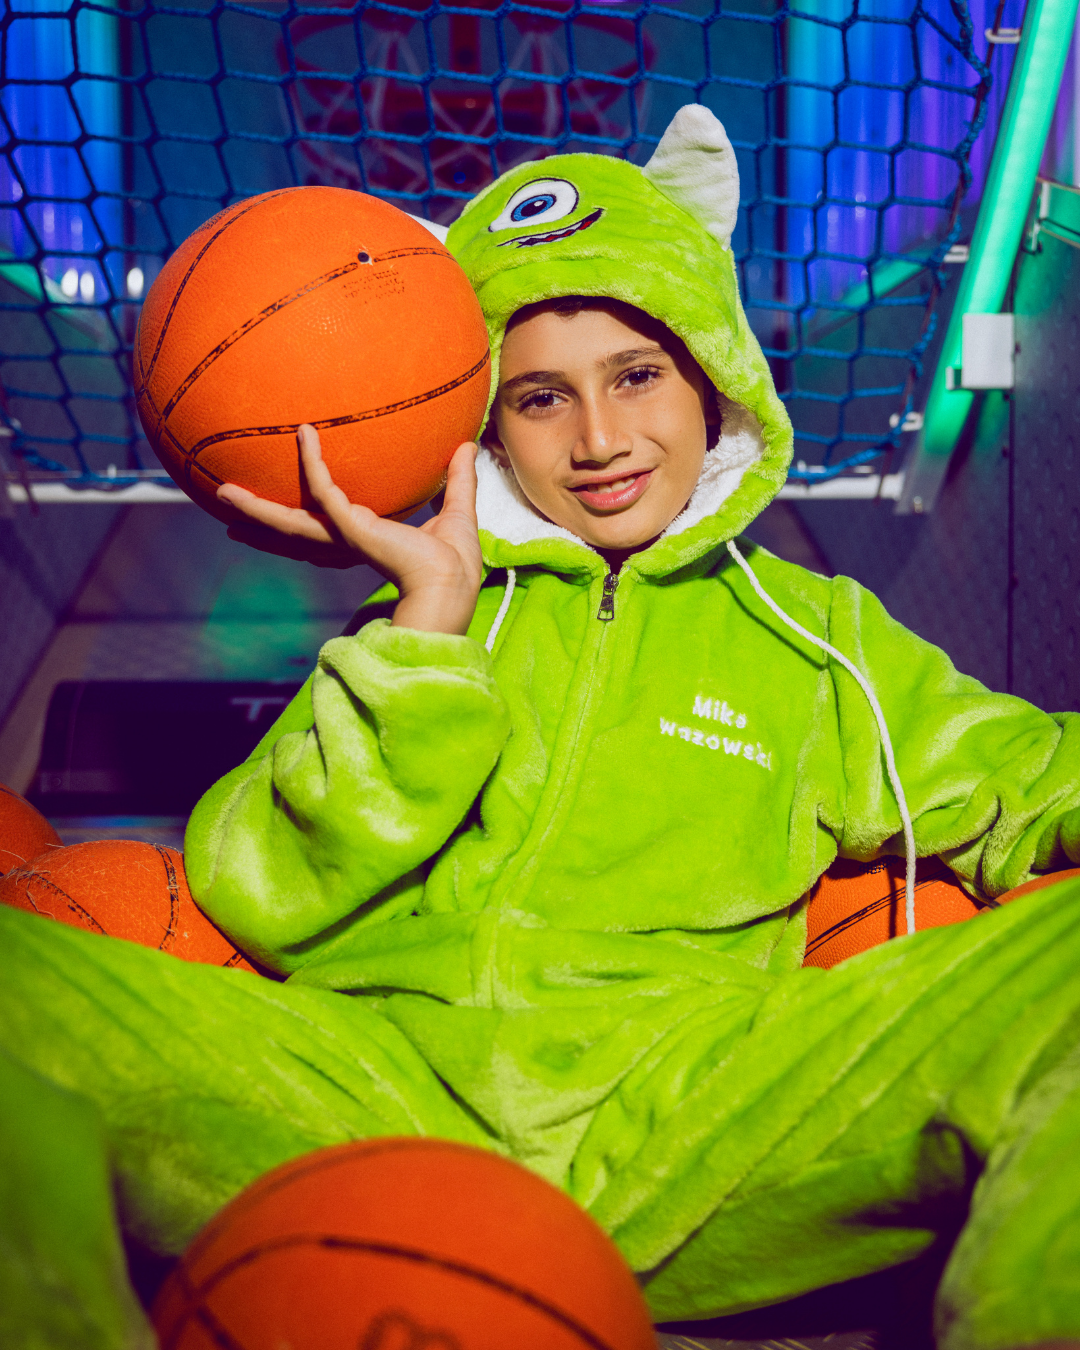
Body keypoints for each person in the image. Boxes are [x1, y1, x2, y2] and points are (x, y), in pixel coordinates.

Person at [2, 105, 1080, 1350]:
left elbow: (1025, 773)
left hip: (694, 1115)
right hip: (367, 1093)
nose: (600, 440)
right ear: (486, 426)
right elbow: (257, 891)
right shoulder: (421, 620)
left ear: (713, 374)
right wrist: (426, 632)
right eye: (540, 397)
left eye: (638, 376)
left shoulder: (822, 631)